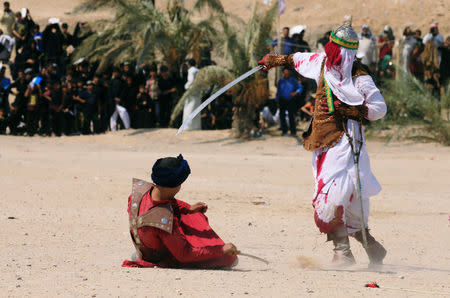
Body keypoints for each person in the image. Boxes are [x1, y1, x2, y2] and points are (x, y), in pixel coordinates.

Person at [258, 24, 387, 267]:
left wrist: (353, 110)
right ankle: (366, 250)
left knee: (334, 200)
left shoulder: (360, 77)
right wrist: (273, 60)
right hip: (323, 143)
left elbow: (379, 108)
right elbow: (296, 58)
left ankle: (343, 252)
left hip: (348, 145)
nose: (333, 55)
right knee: (335, 199)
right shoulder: (321, 63)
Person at [122, 154, 239, 268]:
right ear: (175, 185)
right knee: (229, 258)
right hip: (162, 255)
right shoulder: (164, 221)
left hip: (146, 244)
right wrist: (220, 250)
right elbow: (185, 254)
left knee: (194, 216)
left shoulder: (139, 192)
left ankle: (142, 253)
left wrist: (187, 209)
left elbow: (163, 202)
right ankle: (147, 257)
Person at [276, 67, 302, 136]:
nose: (286, 74)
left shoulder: (293, 81)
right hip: (282, 100)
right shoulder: (280, 81)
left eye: (287, 73)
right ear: (283, 73)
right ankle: (284, 131)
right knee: (282, 116)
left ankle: (293, 132)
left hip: (290, 100)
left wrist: (295, 93)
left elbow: (300, 88)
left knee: (291, 116)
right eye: (285, 73)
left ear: (289, 73)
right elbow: (278, 91)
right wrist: (277, 100)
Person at [182, 58, 200, 130]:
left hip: (191, 91)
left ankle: (188, 127)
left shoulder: (191, 71)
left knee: (189, 108)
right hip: (198, 91)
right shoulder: (198, 70)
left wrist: (186, 86)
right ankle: (196, 126)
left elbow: (191, 81)